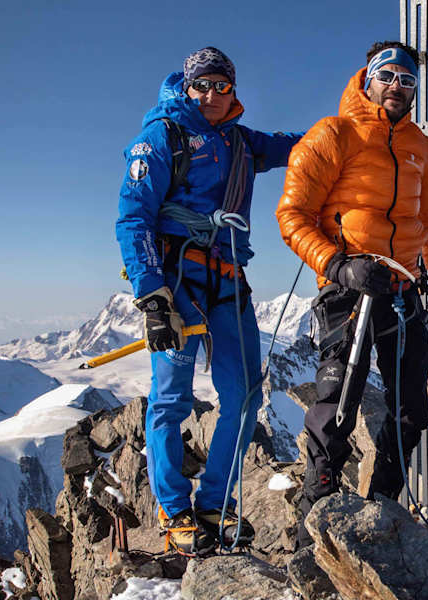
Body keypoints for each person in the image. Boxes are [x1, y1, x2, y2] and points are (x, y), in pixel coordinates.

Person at [115, 47, 302, 555]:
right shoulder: (161, 137)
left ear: (234, 91)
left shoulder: (242, 141)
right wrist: (152, 299)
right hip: (175, 281)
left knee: (242, 396)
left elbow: (299, 146)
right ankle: (174, 511)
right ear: (188, 86)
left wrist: (355, 128)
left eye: (223, 86)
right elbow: (133, 218)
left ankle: (214, 503)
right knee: (171, 399)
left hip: (226, 279)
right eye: (204, 86)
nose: (213, 96)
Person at [275, 41, 428, 546]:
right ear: (369, 78)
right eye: (389, 76)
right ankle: (315, 519)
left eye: (408, 80)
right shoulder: (333, 134)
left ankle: (382, 508)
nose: (398, 86)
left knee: (410, 409)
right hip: (347, 289)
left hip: (402, 287)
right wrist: (338, 264)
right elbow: (291, 217)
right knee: (336, 404)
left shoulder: (421, 146)